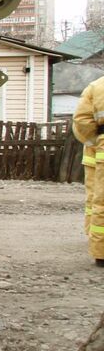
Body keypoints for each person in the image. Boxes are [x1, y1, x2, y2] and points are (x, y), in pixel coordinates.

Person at [71, 74, 104, 265]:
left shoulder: (97, 86)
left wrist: (95, 142)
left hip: (100, 152)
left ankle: (101, 251)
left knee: (100, 200)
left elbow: (82, 121)